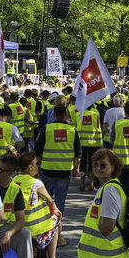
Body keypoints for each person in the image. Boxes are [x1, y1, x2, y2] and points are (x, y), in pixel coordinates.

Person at [77, 149, 128, 258]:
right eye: (95, 165)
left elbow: (108, 226)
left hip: (108, 255)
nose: (98, 168)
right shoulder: (110, 186)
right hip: (113, 254)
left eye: (103, 165)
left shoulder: (110, 190)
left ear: (113, 167)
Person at [0, 155, 42, 258]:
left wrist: (9, 233)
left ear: (11, 173)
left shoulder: (15, 189)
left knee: (25, 233)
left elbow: (21, 219)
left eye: (1, 170)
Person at [35, 104, 81, 246]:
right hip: (64, 172)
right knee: (59, 205)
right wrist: (76, 168)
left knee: (45, 203)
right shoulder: (72, 130)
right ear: (66, 115)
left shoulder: (46, 129)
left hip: (47, 171)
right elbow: (78, 153)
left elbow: (38, 150)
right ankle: (58, 238)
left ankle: (44, 234)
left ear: (53, 114)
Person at [13, 153, 63, 258]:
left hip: (17, 224)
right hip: (34, 227)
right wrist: (56, 209)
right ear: (30, 166)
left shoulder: (13, 180)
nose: (37, 167)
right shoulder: (35, 183)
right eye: (36, 164)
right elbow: (49, 199)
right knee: (56, 219)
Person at [78, 104, 103, 191]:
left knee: (82, 163)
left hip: (82, 142)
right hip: (94, 142)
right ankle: (91, 184)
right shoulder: (96, 115)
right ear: (92, 105)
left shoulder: (79, 114)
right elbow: (99, 129)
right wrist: (100, 143)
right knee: (93, 163)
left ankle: (82, 183)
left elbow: (78, 128)